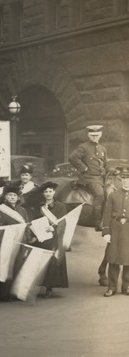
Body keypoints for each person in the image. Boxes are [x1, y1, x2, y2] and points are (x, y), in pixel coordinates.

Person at [69, 125, 109, 285]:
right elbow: (72, 158)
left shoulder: (102, 147)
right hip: (89, 179)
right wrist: (83, 168)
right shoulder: (83, 147)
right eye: (92, 135)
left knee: (111, 191)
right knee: (100, 194)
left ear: (100, 134)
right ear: (89, 135)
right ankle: (99, 220)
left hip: (101, 177)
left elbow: (105, 163)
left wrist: (110, 171)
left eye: (97, 134)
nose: (95, 136)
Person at [32, 181, 69, 298]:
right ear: (43, 193)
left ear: (54, 192)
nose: (48, 194)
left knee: (52, 261)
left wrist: (54, 229)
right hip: (42, 238)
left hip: (54, 238)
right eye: (46, 192)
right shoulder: (40, 207)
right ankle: (40, 285)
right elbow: (35, 221)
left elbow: (63, 223)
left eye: (50, 191)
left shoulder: (60, 206)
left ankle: (49, 287)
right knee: (41, 261)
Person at [0, 185, 29, 300]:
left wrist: (27, 238)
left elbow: (27, 225)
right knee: (6, 266)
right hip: (6, 241)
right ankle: (4, 293)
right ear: (5, 197)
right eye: (10, 195)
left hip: (20, 242)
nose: (12, 197)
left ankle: (15, 292)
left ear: (18, 197)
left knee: (18, 265)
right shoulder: (0, 209)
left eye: (14, 195)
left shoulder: (22, 210)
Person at [101, 166, 129, 297]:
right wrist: (106, 231)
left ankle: (127, 286)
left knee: (128, 259)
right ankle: (112, 287)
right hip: (115, 228)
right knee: (112, 258)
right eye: (123, 178)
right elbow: (106, 215)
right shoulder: (113, 195)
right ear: (120, 180)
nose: (125, 181)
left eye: (128, 178)